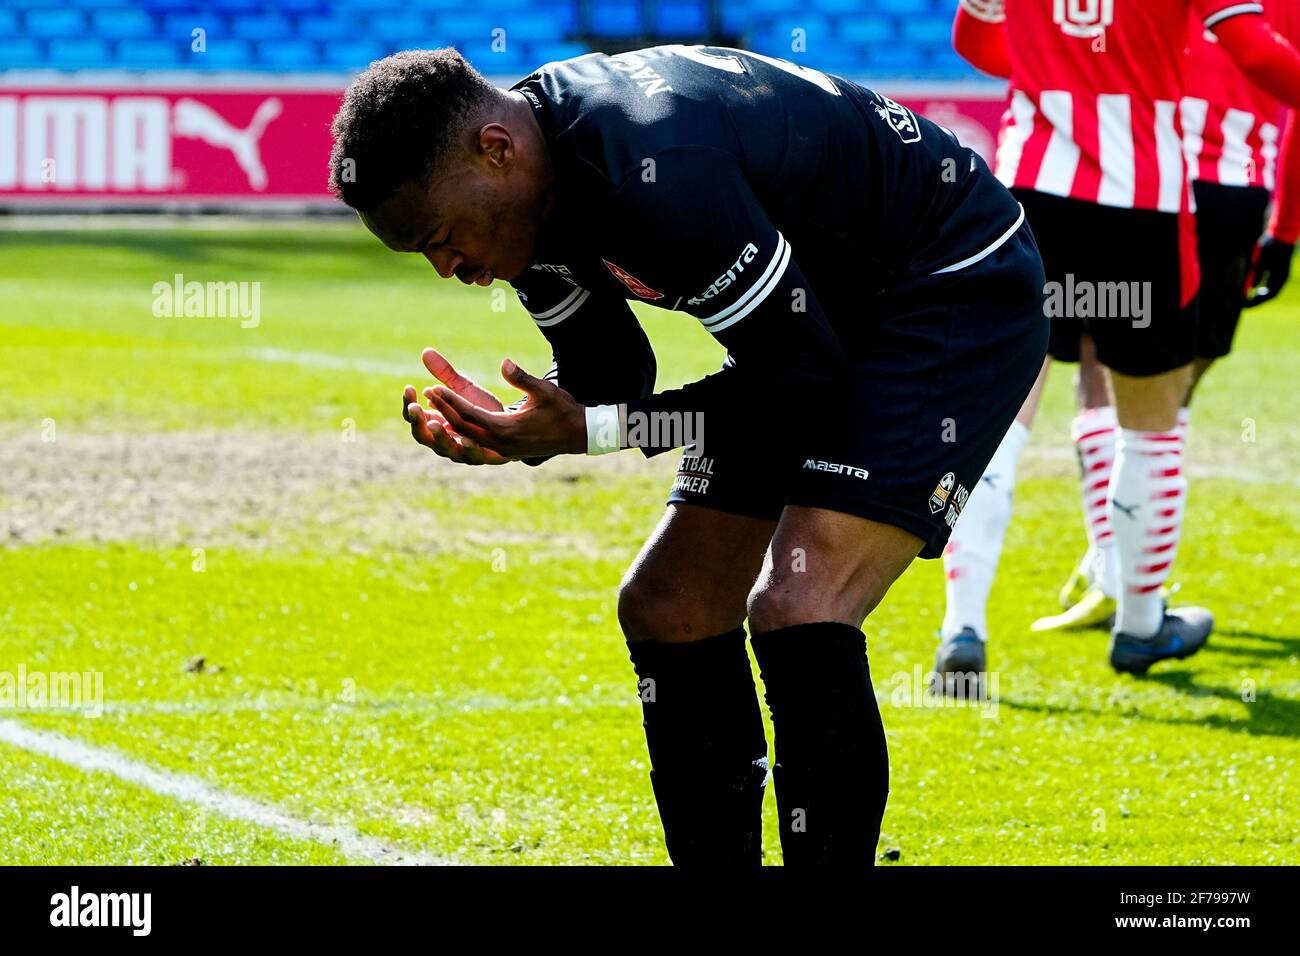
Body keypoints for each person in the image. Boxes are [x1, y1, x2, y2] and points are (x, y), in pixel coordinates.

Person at [329, 44, 1047, 865]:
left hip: (948, 285)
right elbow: (613, 373)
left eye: (441, 236)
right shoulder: (530, 191)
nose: (448, 268)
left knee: (801, 602)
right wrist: (531, 421)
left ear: (495, 149)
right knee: (670, 604)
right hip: (814, 327)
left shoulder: (656, 164)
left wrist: (595, 430)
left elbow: (802, 378)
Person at [943, 0, 1300, 677]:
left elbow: (973, 40)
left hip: (1031, 186)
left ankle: (962, 626)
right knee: (1152, 421)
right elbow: (1252, 51)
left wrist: (1055, 80)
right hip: (1141, 197)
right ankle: (1140, 624)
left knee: (1001, 412)